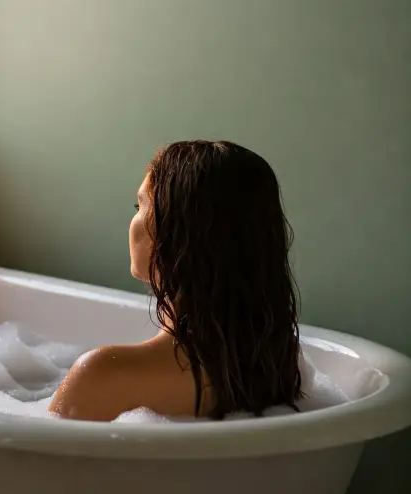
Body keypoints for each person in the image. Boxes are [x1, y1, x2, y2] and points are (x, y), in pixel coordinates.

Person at [49, 140, 301, 421]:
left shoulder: (103, 374)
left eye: (140, 205)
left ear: (178, 233)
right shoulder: (277, 366)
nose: (133, 219)